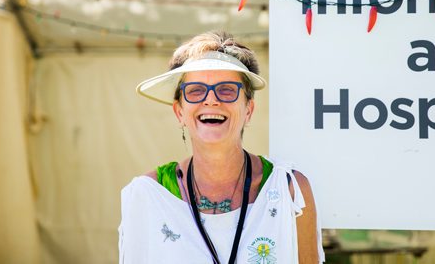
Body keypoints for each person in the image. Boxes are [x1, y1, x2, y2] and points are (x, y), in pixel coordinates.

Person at [118, 31, 324, 263]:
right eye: (195, 91)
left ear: (248, 110)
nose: (211, 100)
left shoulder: (289, 190)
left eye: (227, 89)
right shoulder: (149, 194)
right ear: (179, 112)